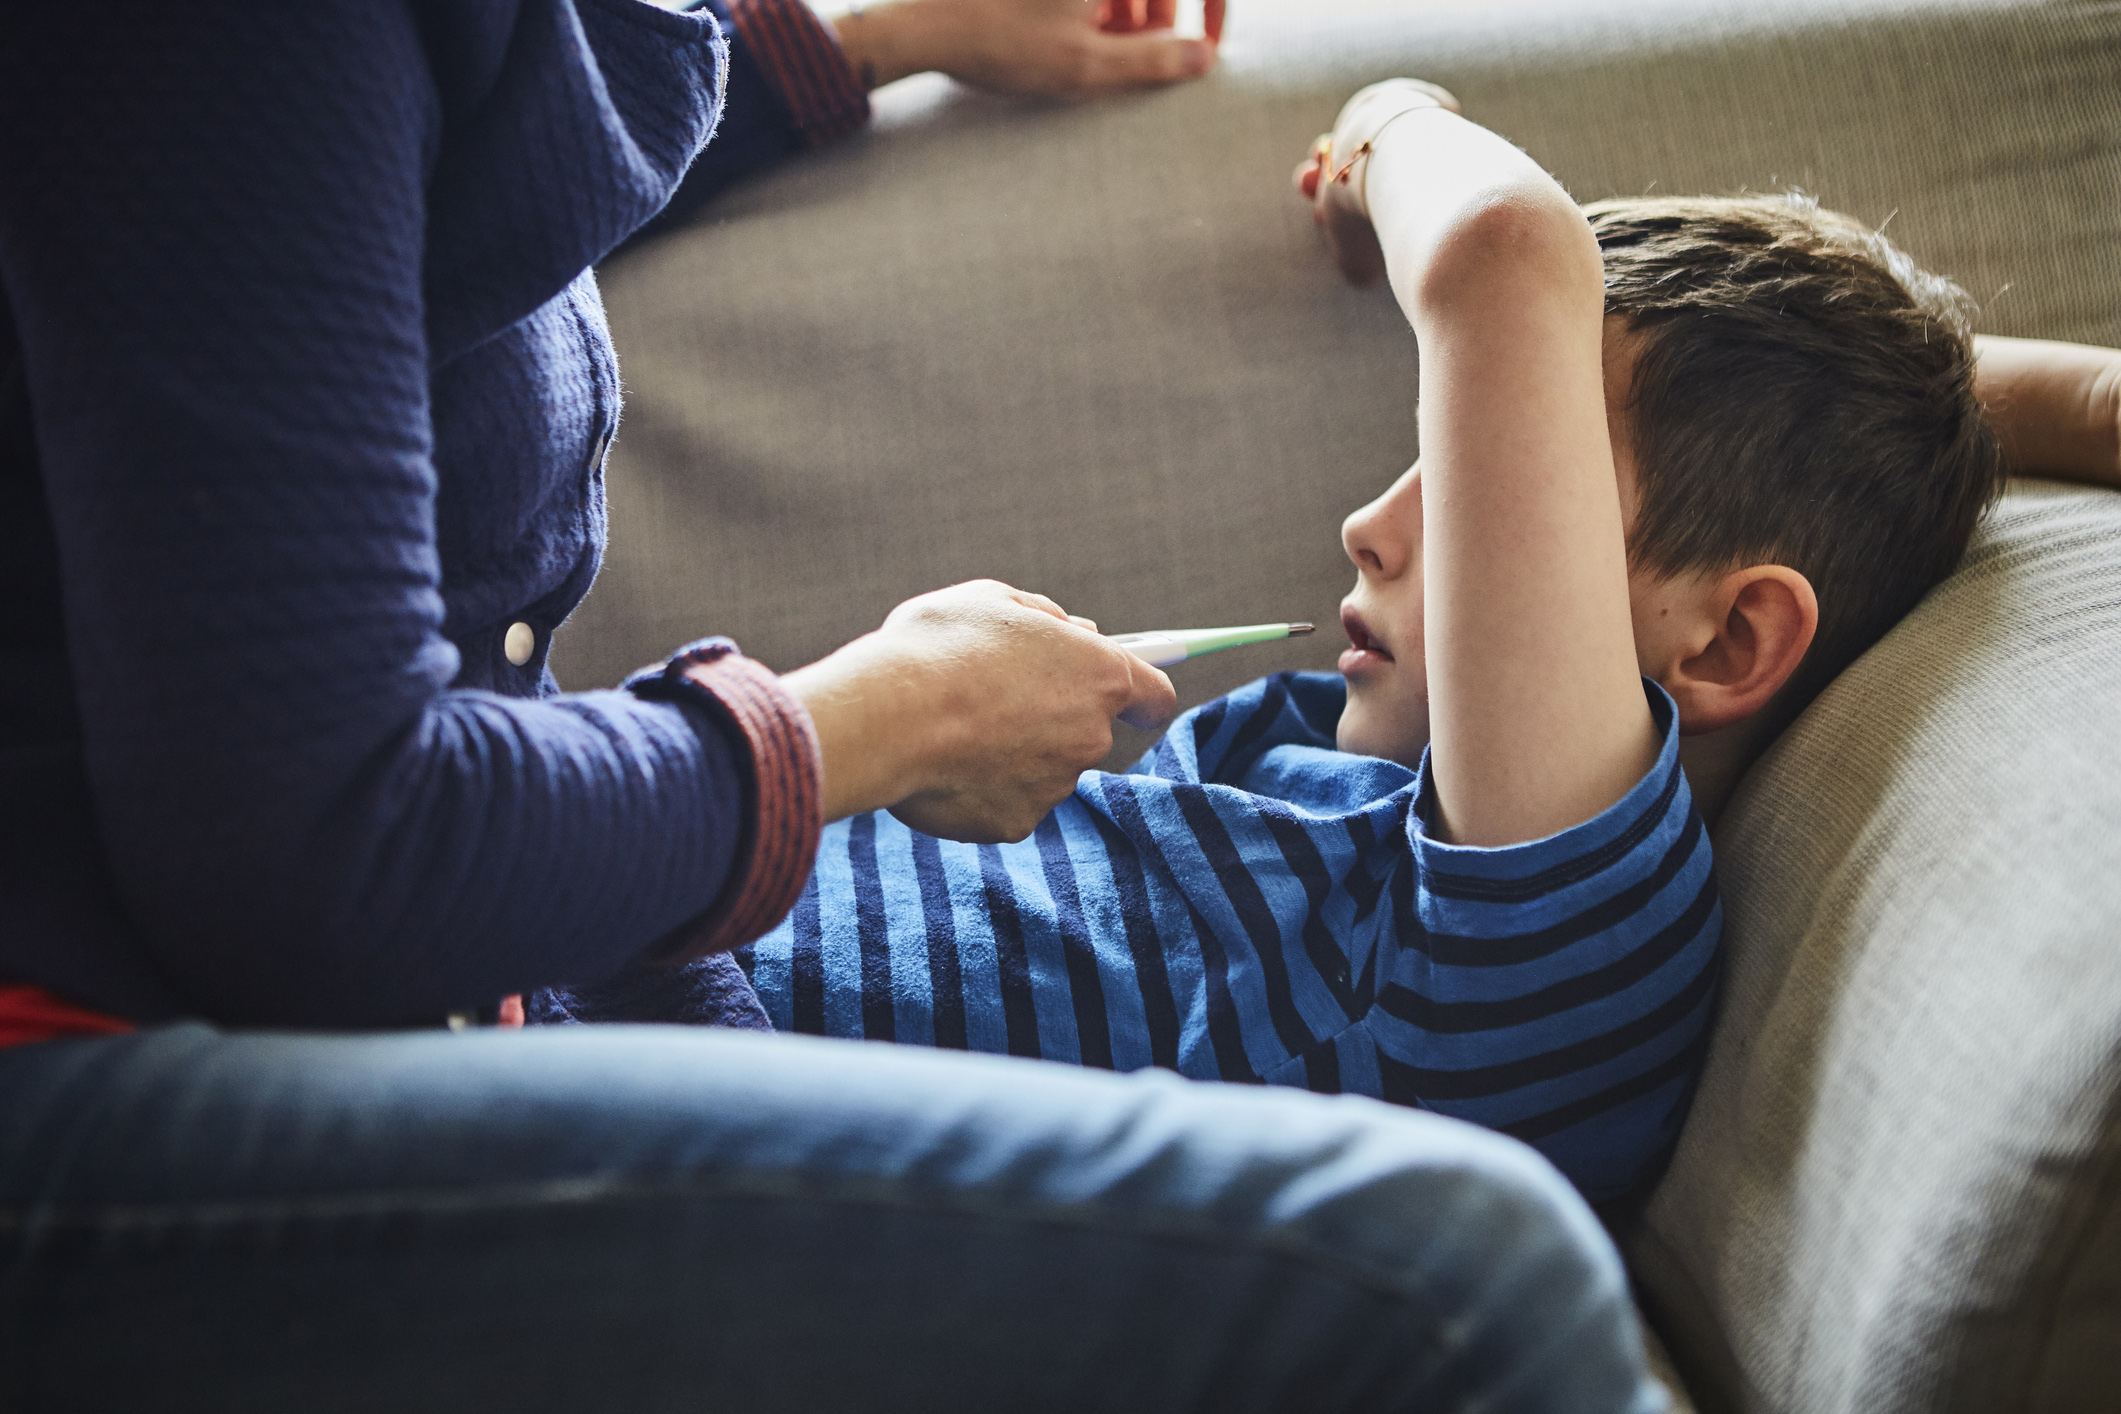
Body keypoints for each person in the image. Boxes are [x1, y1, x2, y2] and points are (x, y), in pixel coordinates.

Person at [1, 9, 1681, 1412]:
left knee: (1469, 1275)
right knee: (1460, 1293)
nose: (1372, 522)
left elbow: (401, 167)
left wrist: (869, 41)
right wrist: (875, 720)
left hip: (496, 1008)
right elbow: (328, 843)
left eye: (1477, 487)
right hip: (150, 1047)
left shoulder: (1519, 919)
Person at [729, 84, 2121, 1204]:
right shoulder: (1371, 775)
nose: (1365, 526)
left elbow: (1508, 254)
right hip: (616, 914)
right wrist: (2010, 402)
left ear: (1725, 640)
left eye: (1476, 482)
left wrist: (1385, 121)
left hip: (627, 1056)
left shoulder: (1558, 942)